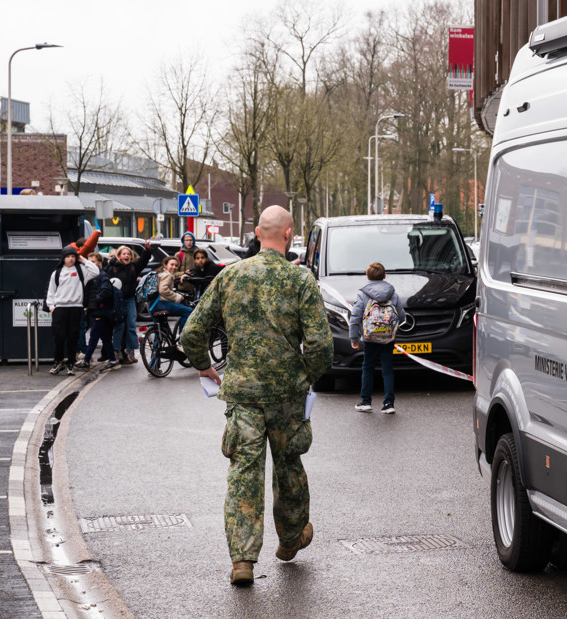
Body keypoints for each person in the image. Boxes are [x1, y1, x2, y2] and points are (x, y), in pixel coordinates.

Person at [181, 205, 332, 587]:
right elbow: (320, 345)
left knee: (244, 475)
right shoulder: (300, 280)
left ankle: (243, 560)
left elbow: (192, 332)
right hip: (286, 395)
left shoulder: (230, 277)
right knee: (289, 466)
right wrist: (306, 376)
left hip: (243, 395)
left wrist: (203, 366)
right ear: (289, 234)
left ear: (257, 232)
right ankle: (292, 536)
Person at [348, 261, 404, 414]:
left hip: (370, 337)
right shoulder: (393, 294)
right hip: (388, 337)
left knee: (368, 367)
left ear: (367, 276)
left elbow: (355, 317)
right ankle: (389, 404)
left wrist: (354, 338)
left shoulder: (363, 294)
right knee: (387, 369)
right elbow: (402, 316)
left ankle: (366, 401)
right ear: (385, 275)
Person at [46, 246, 99, 375]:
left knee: (73, 337)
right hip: (59, 308)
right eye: (68, 256)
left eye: (73, 256)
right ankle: (58, 362)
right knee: (59, 337)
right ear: (63, 258)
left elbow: (96, 271)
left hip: (76, 308)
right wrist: (52, 307)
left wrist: (83, 260)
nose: (71, 259)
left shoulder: (81, 270)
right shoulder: (57, 273)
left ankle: (70, 363)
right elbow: (51, 291)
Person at [104, 242, 150, 364]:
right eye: (124, 253)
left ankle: (131, 350)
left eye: (129, 254)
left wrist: (146, 251)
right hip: (117, 300)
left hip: (129, 299)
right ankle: (116, 350)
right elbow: (107, 283)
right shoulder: (112, 267)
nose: (127, 256)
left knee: (130, 324)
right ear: (119, 256)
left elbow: (143, 261)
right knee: (119, 325)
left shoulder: (133, 267)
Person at [76, 272, 122, 371]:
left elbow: (103, 295)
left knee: (93, 337)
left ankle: (86, 360)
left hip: (100, 314)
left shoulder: (102, 279)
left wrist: (93, 300)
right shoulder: (100, 279)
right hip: (103, 314)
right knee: (106, 339)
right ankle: (113, 360)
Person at [153, 256, 195, 323]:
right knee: (188, 311)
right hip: (161, 304)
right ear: (165, 265)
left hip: (152, 305)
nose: (174, 267)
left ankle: (161, 333)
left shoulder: (160, 274)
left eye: (176, 265)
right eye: (172, 265)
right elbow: (163, 290)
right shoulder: (167, 275)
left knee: (161, 329)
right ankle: (183, 333)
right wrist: (178, 297)